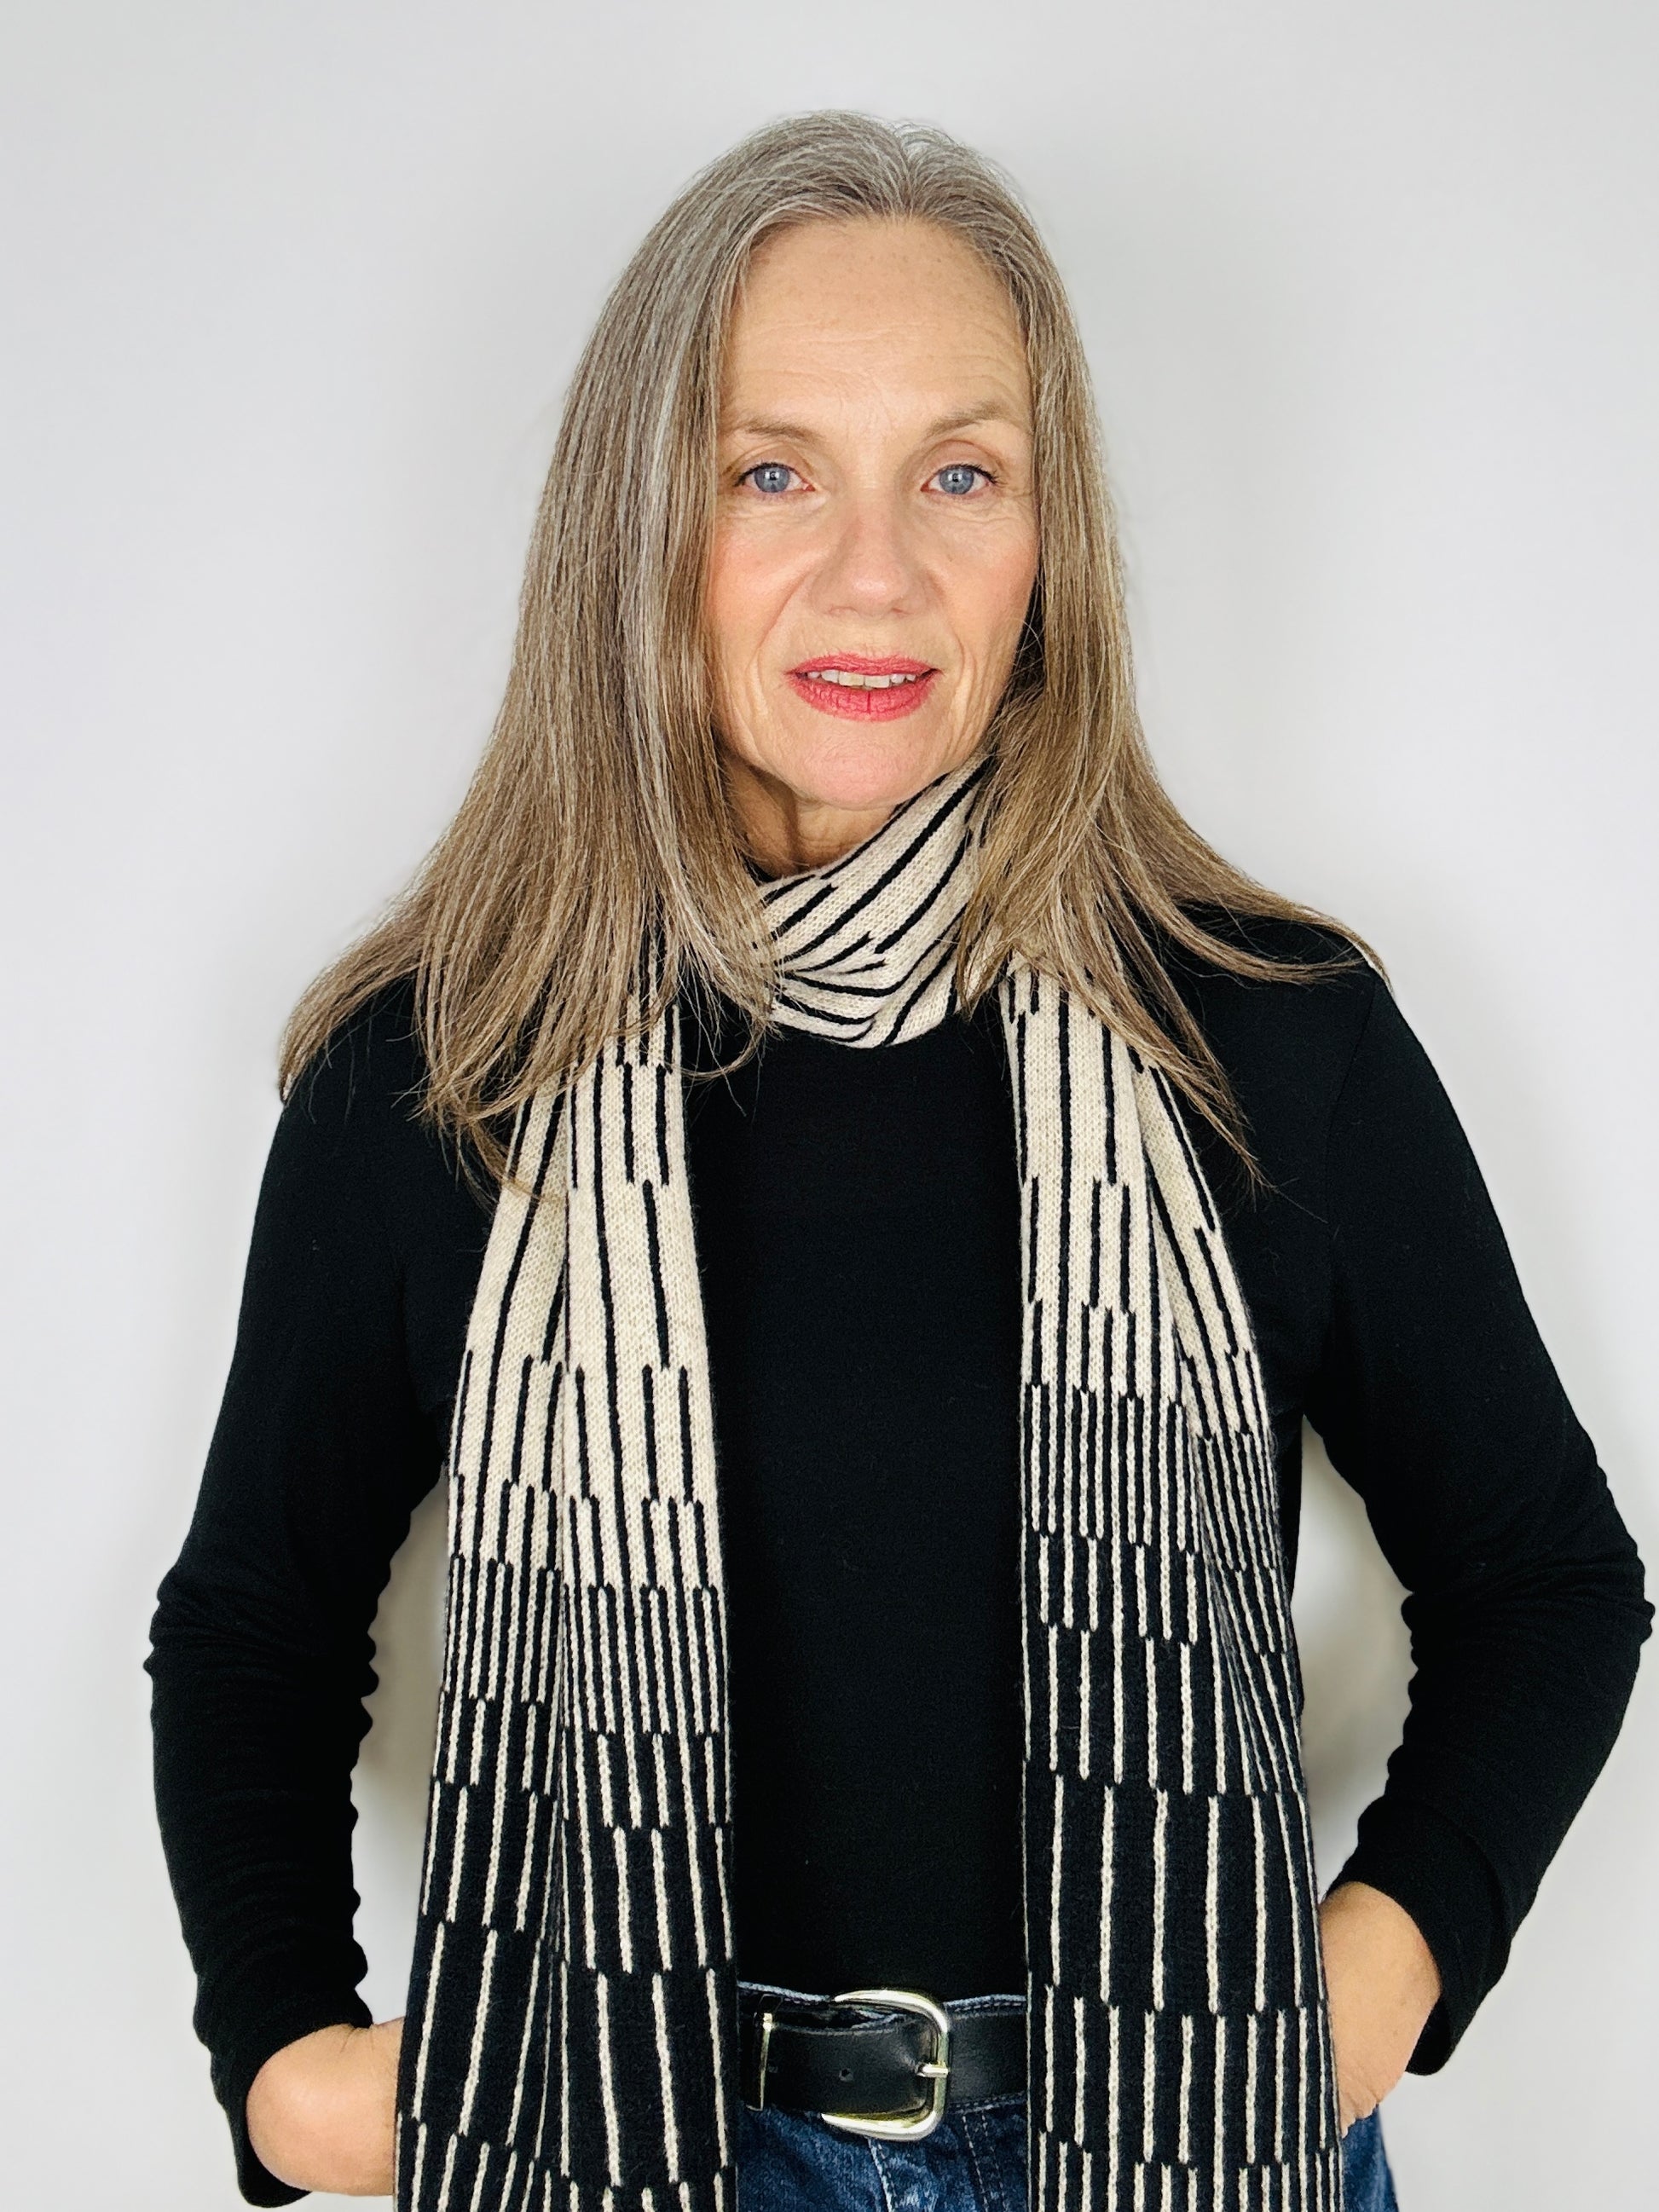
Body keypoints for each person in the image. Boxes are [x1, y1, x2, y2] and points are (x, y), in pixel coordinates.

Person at [148, 113, 1647, 2212]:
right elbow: (254, 1623)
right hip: (632, 2138)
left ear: (1051, 540)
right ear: (642, 522)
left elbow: (1548, 1580)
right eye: (774, 472)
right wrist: (292, 2064)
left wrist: (1360, 1995)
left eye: (961, 472)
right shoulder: (444, 1072)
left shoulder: (1264, 1033)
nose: (879, 573)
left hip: (1173, 2130)